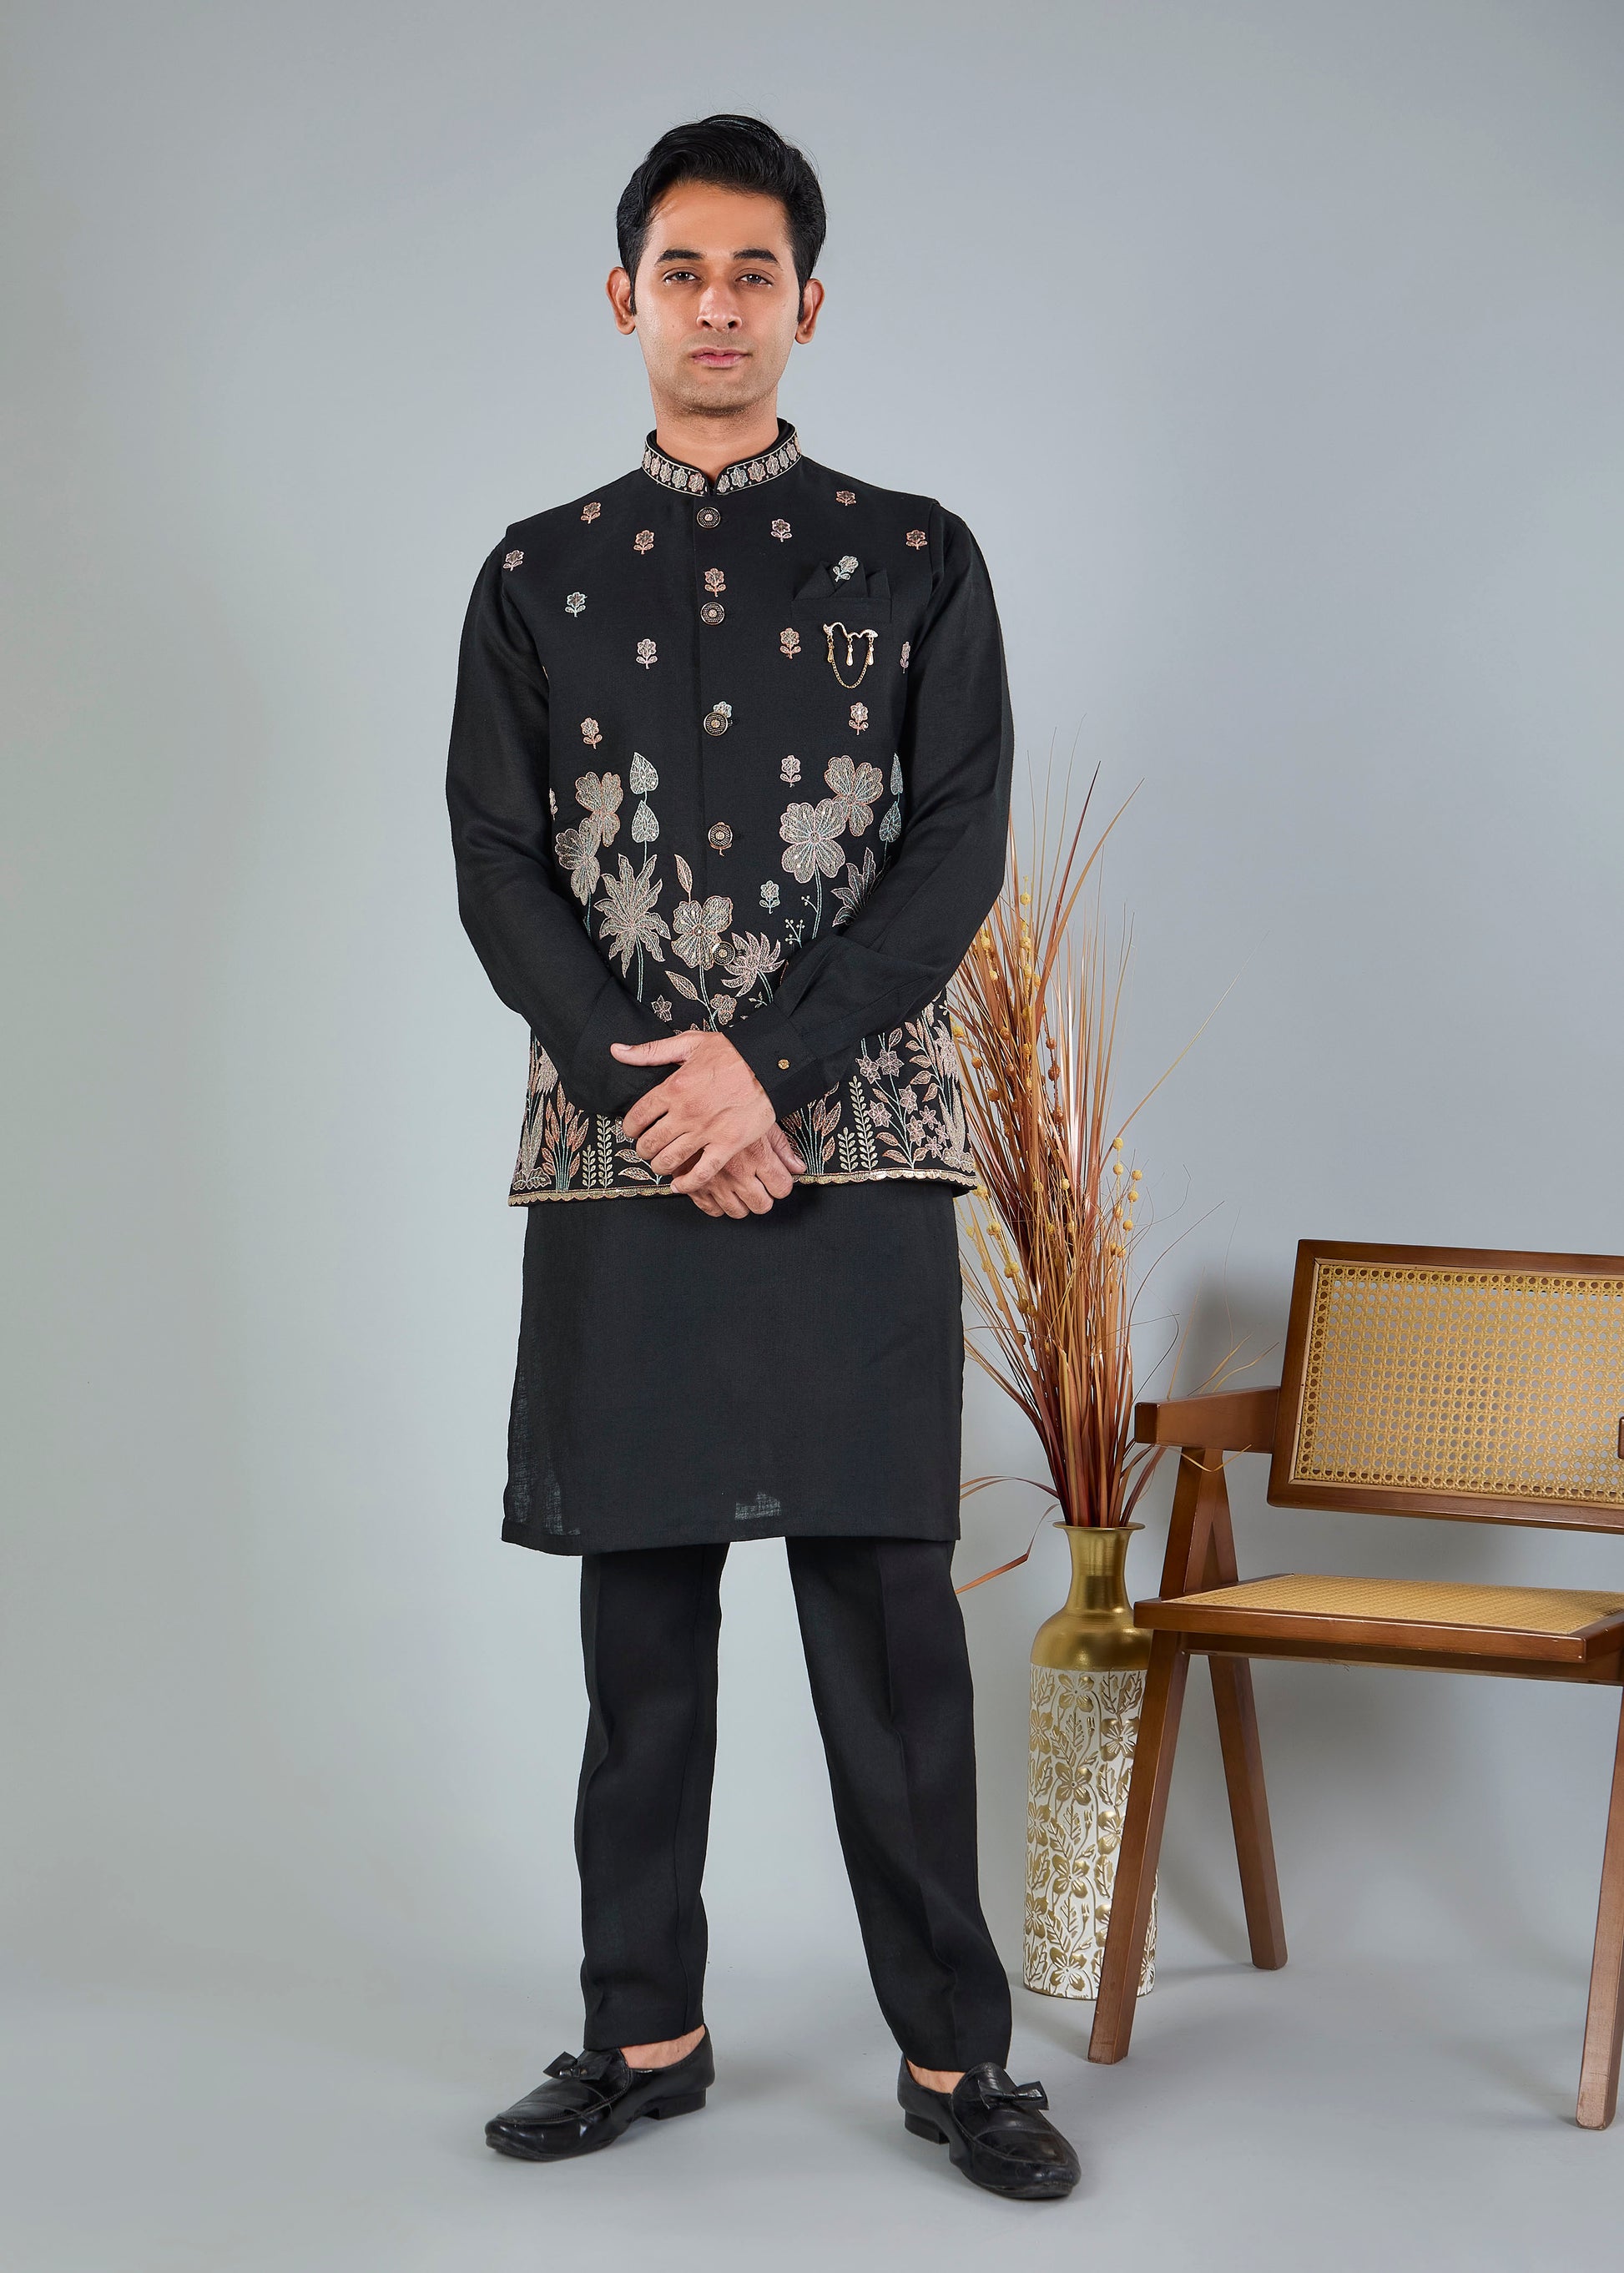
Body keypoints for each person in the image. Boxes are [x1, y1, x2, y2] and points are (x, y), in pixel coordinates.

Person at [444, 113, 1080, 2203]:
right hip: (622, 1156)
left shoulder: (915, 556)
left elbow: (954, 842)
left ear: (809, 304)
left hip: (858, 1153)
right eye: (681, 271)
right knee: (639, 1621)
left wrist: (772, 1079)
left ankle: (958, 2061)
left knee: (889, 1620)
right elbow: (497, 858)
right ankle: (643, 2028)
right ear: (622, 297)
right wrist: (663, 1094)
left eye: (753, 274)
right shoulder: (535, 574)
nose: (716, 306)